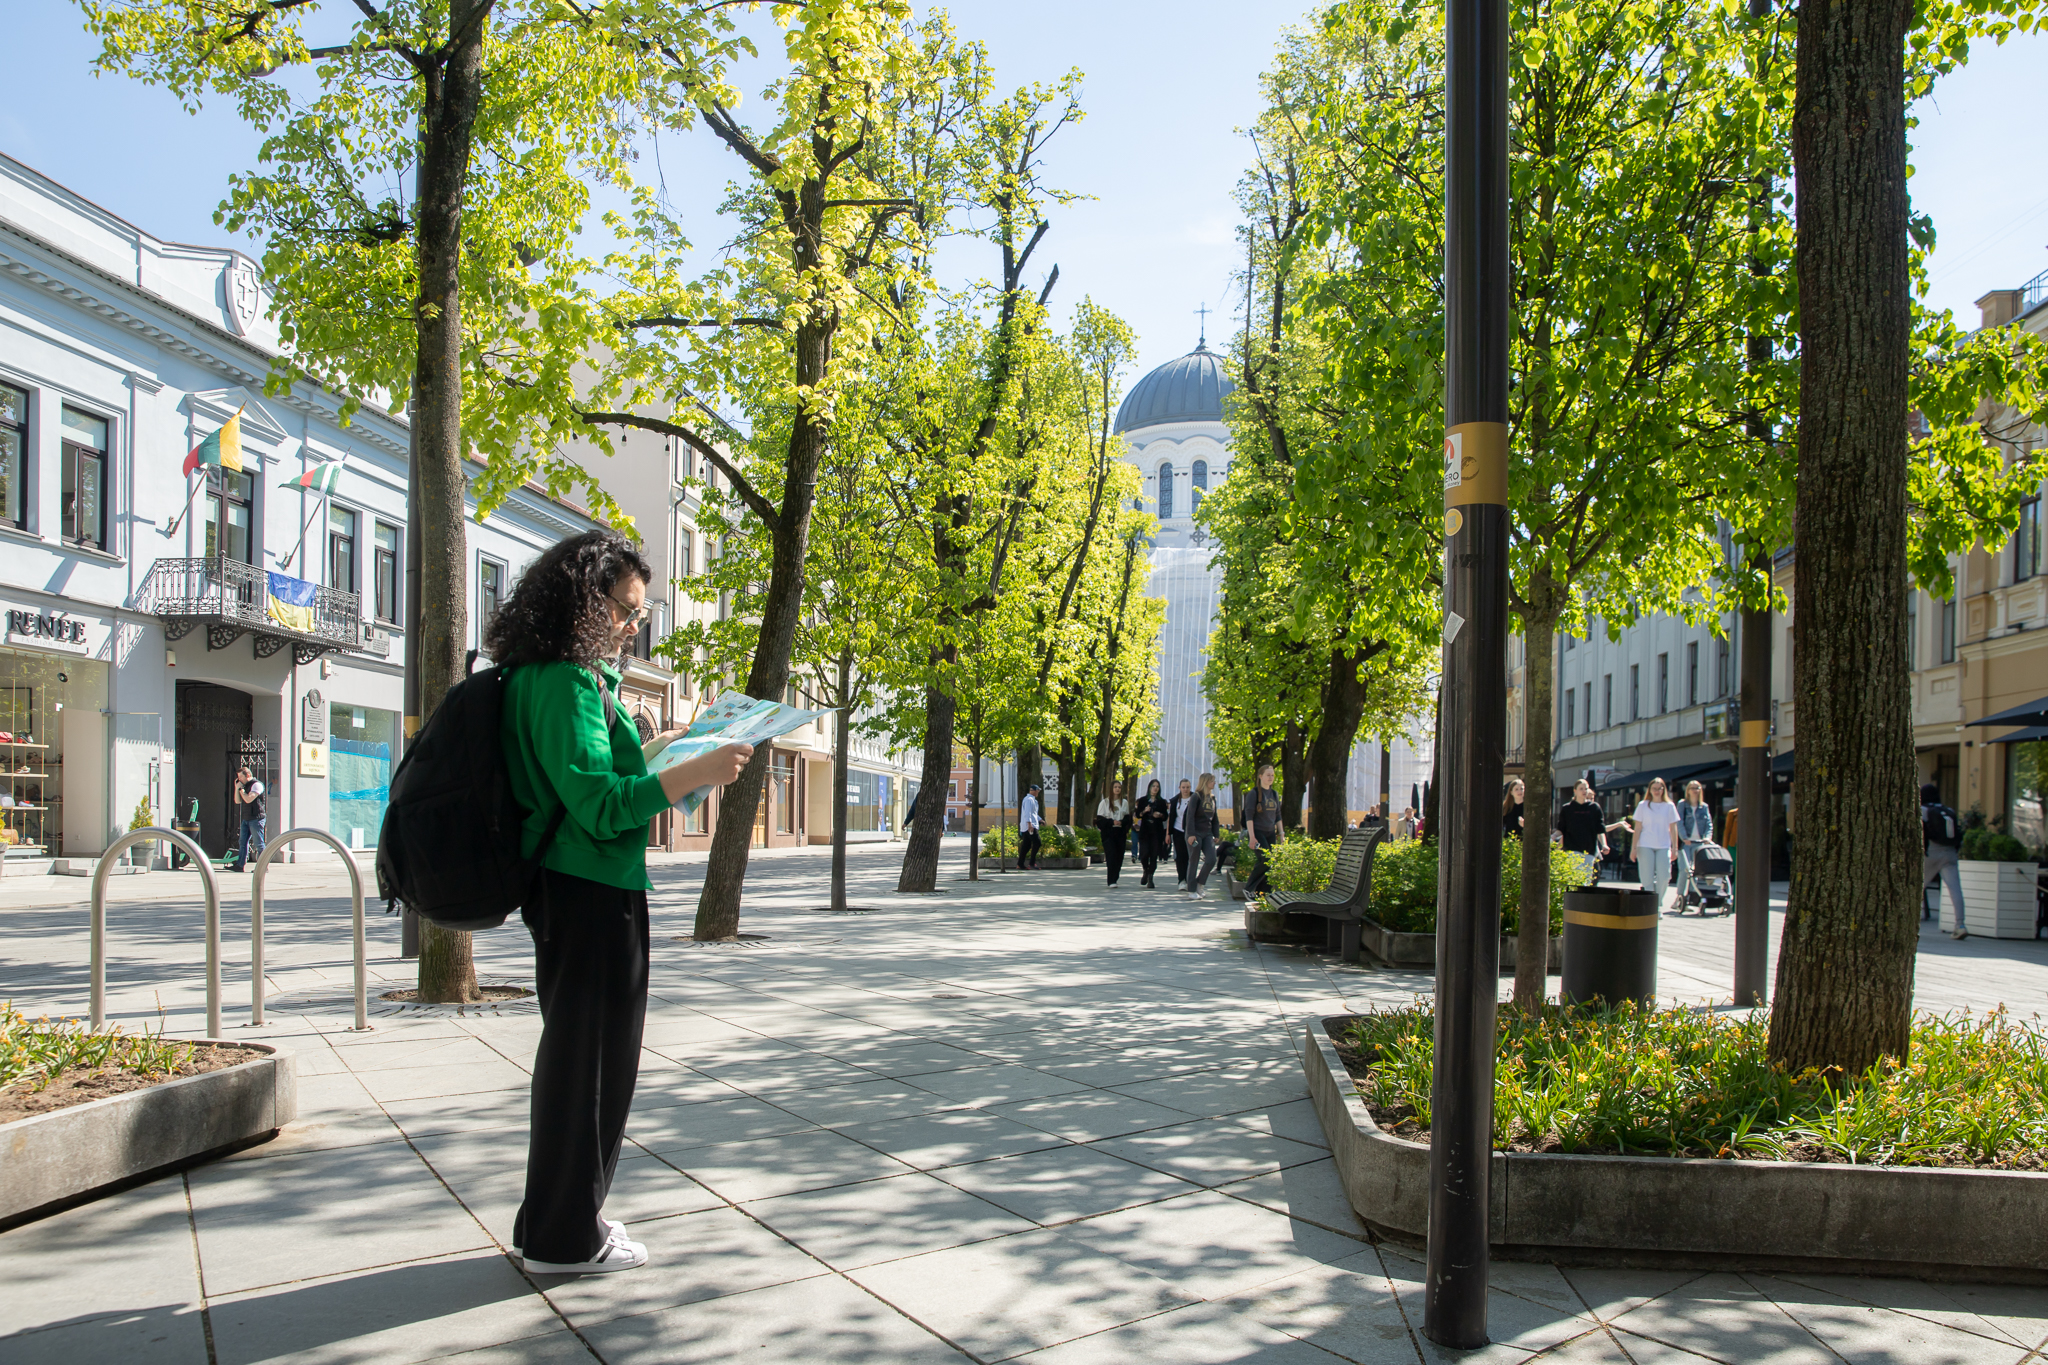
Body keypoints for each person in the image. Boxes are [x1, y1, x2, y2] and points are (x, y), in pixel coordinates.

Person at [493, 529, 753, 1276]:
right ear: (585, 600)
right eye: (625, 609)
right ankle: (566, 1238)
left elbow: (599, 779)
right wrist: (690, 770)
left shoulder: (554, 675)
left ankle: (562, 1217)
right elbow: (601, 805)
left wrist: (671, 745)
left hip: (587, 889)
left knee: (584, 1064)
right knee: (593, 1069)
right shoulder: (565, 680)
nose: (633, 625)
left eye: (641, 613)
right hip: (589, 892)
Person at [1921, 781, 1967, 940]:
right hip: (1950, 853)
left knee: (1917, 887)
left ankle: (1908, 922)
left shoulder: (1923, 810)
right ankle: (1960, 925)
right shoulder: (1948, 810)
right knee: (1955, 889)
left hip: (1930, 853)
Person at [1630, 776, 1682, 907]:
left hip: (1663, 845)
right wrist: (1634, 848)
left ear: (1664, 790)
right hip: (1645, 844)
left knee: (1665, 876)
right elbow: (1638, 828)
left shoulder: (1669, 806)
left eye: (1659, 788)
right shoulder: (1643, 805)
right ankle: (1651, 906)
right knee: (1647, 877)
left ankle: (1657, 903)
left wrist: (1675, 848)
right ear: (1650, 790)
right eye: (1654, 788)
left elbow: (1673, 828)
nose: (1657, 791)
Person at [1555, 779, 1611, 886]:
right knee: (1574, 879)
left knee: (1586, 880)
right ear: (1575, 791)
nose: (1584, 791)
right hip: (1572, 848)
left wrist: (1604, 844)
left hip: (1589, 849)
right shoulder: (1567, 808)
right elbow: (1561, 829)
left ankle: (1581, 901)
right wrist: (1553, 837)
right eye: (1581, 789)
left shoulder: (1594, 808)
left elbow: (1600, 830)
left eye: (1586, 788)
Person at [1242, 763, 1283, 895]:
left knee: (1271, 862)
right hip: (1258, 832)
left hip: (1270, 832)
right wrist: (1252, 837)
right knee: (1265, 859)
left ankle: (1263, 893)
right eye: (1268, 775)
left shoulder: (1274, 794)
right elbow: (1249, 816)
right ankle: (1248, 889)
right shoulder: (1253, 794)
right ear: (1260, 776)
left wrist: (1281, 833)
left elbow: (1278, 816)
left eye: (1272, 775)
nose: (1270, 777)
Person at [1675, 780, 1714, 904]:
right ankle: (1679, 897)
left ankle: (1692, 898)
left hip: (1699, 842)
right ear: (1688, 790)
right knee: (1684, 870)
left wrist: (1708, 837)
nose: (1694, 790)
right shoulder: (1682, 804)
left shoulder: (1704, 806)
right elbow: (1679, 822)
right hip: (1686, 843)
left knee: (1695, 871)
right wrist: (1684, 837)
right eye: (1692, 788)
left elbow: (1709, 824)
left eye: (1697, 788)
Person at [1185, 772, 1221, 899]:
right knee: (1194, 860)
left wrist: (1216, 833)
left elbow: (1215, 818)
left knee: (1211, 859)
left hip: (1207, 834)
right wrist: (1190, 834)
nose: (1214, 783)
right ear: (1205, 782)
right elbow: (1190, 817)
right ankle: (1191, 890)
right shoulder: (1196, 797)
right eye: (1212, 780)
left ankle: (1200, 883)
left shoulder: (1212, 798)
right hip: (1195, 834)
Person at [1133, 779, 1172, 888]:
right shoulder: (1143, 800)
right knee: (1144, 854)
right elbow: (1137, 814)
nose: (1155, 788)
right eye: (1153, 786)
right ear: (1149, 787)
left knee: (1154, 855)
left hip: (1157, 832)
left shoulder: (1161, 802)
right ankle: (1146, 870)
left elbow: (1166, 816)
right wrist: (1144, 811)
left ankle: (1150, 876)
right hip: (1145, 831)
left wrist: (1159, 815)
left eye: (1157, 787)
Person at [230, 765, 267, 871]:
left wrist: (241, 791)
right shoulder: (243, 786)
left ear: (248, 775)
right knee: (242, 842)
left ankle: (262, 867)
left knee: (258, 843)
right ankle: (240, 865)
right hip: (246, 818)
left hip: (256, 818)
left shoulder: (256, 785)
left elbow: (248, 799)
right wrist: (237, 788)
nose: (239, 780)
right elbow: (237, 801)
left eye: (241, 777)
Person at [1168, 778, 1194, 889]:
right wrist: (1168, 834)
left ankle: (1190, 879)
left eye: (1187, 787)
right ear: (1179, 788)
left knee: (1191, 856)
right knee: (1180, 856)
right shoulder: (1175, 801)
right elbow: (1171, 817)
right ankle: (1181, 879)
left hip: (1191, 832)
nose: (1185, 789)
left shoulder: (1194, 799)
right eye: (1183, 787)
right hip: (1178, 831)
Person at [1018, 783, 1043, 870]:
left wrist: (1040, 820)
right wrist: (1030, 824)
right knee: (1037, 842)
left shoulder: (1033, 800)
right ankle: (1032, 863)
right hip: (1030, 826)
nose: (1038, 793)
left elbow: (1034, 813)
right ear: (1034, 791)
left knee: (1026, 845)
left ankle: (1020, 864)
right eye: (1037, 791)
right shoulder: (1029, 800)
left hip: (1029, 825)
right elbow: (1027, 813)